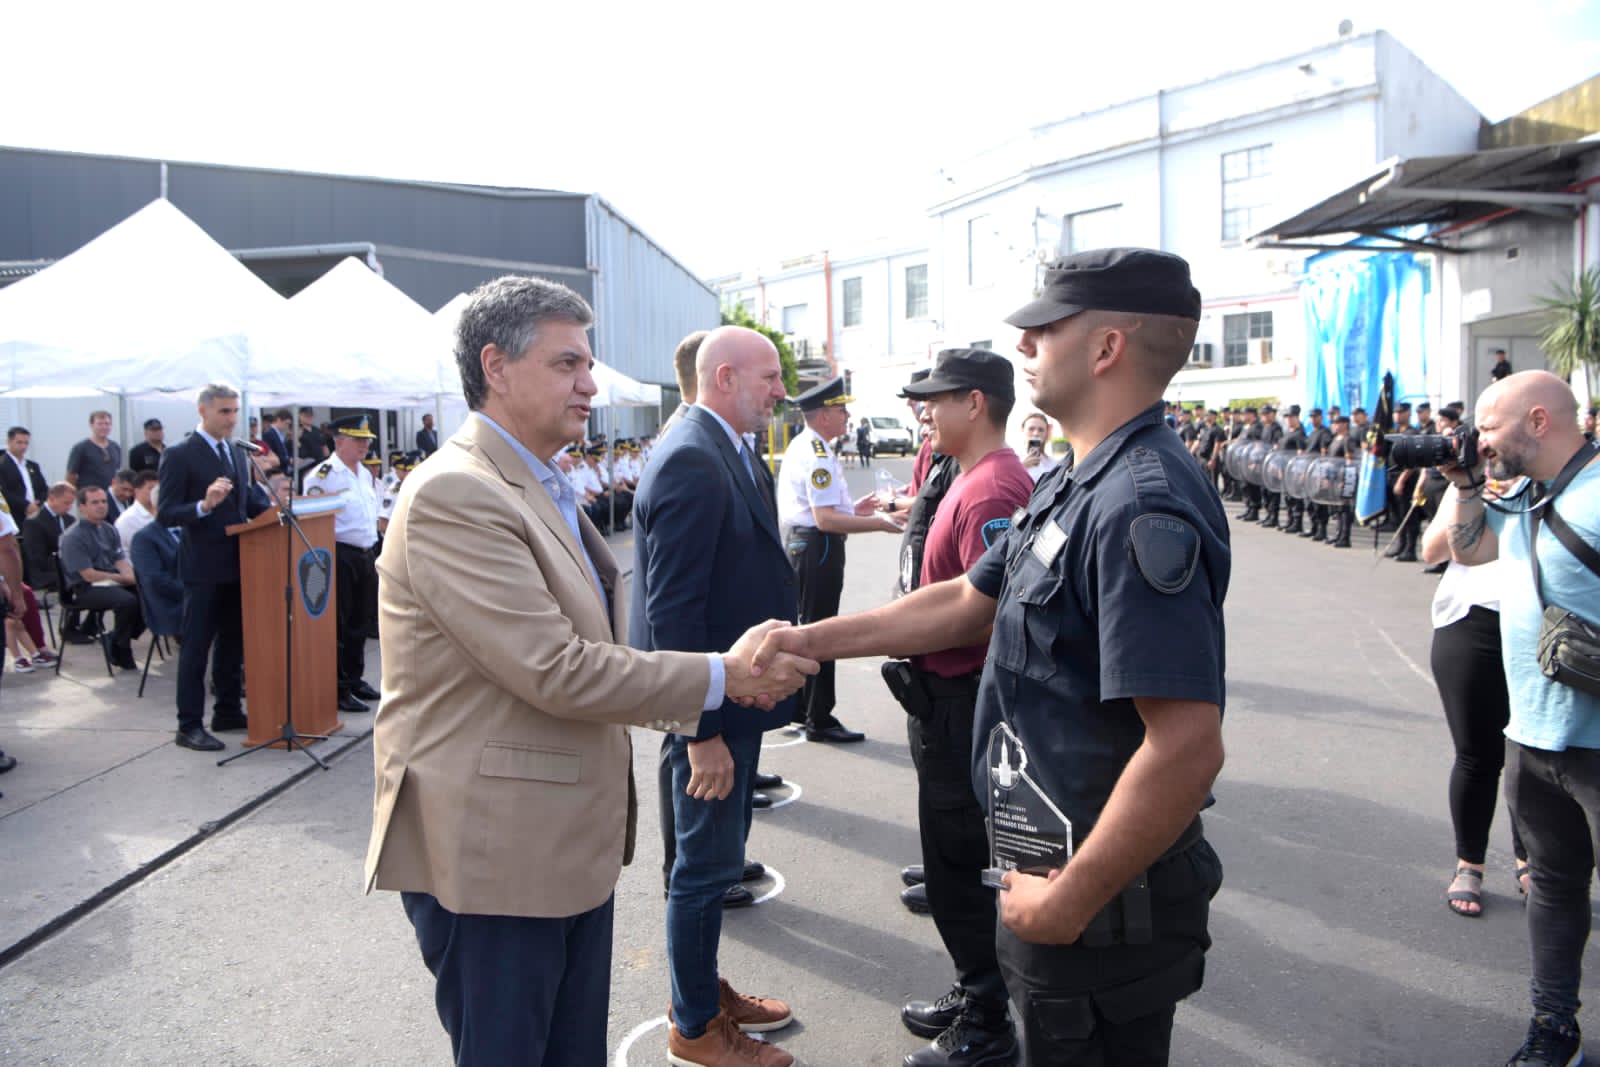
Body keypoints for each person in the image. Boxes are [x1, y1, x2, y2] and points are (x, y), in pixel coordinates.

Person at [755, 248, 1228, 1066]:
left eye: (1045, 328)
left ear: (1108, 348)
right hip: (1051, 871)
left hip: (1099, 903)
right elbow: (965, 600)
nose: (1026, 345)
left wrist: (1067, 900)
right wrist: (805, 640)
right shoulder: (1074, 479)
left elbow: (1187, 744)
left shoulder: (1138, 499)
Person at [362, 274, 816, 1067]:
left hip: (557, 842)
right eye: (568, 362)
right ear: (496, 367)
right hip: (496, 860)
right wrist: (721, 680)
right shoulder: (456, 494)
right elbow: (556, 668)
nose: (591, 383)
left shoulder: (537, 478)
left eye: (589, 361)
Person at [631, 325, 800, 1067]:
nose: (780, 390)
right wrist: (699, 732)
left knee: (713, 860)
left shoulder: (727, 446)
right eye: (769, 376)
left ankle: (698, 987)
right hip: (712, 713)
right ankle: (696, 1025)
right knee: (702, 869)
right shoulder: (693, 459)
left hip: (736, 700)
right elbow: (672, 616)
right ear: (724, 376)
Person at [1434, 370, 1600, 1067]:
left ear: (1538, 420)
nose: (1480, 438)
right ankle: (1552, 1026)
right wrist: (1468, 483)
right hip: (1532, 735)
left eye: (1489, 425)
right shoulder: (1525, 494)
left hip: (1596, 744)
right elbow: (1467, 550)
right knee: (1555, 890)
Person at [894, 347, 1033, 1067]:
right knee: (949, 864)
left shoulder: (992, 490)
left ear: (974, 402)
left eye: (936, 398)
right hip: (941, 698)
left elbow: (980, 617)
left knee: (963, 862)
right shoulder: (968, 476)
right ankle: (972, 987)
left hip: (963, 700)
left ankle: (987, 1024)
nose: (926, 409)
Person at [777, 376, 905, 743]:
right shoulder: (815, 452)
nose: (847, 415)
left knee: (808, 626)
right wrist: (880, 522)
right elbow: (825, 519)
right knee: (821, 630)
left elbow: (829, 508)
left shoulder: (811, 446)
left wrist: (857, 509)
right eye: (840, 410)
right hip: (819, 545)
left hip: (810, 544)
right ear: (823, 416)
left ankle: (803, 708)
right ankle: (819, 716)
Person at [156, 382, 274, 752]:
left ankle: (227, 709)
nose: (232, 419)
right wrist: (203, 506)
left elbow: (246, 505)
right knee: (197, 647)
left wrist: (280, 511)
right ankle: (188, 724)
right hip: (203, 567)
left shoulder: (237, 453)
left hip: (239, 562)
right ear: (203, 411)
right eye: (224, 411)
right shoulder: (180, 455)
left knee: (232, 642)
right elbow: (166, 514)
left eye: (235, 411)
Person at [1419, 509, 1525, 917]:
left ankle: (1530, 860)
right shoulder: (1474, 477)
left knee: (1534, 754)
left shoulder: (1573, 473)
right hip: (1473, 618)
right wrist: (1471, 493)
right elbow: (1432, 551)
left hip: (1545, 623)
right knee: (1478, 754)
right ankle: (1470, 864)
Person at [304, 415, 384, 714]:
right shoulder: (324, 476)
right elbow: (312, 519)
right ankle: (337, 687)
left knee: (360, 621)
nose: (365, 446)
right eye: (358, 440)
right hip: (338, 554)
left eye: (366, 440)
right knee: (340, 623)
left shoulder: (364, 474)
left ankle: (354, 678)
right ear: (339, 441)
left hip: (365, 552)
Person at [58, 485, 142, 670]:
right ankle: (122, 646)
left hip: (110, 582)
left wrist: (131, 576)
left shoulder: (109, 530)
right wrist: (122, 579)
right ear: (82, 507)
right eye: (95, 502)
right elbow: (88, 575)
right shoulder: (74, 536)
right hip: (85, 588)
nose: (101, 506)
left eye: (103, 501)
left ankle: (117, 638)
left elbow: (119, 559)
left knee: (148, 595)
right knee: (128, 601)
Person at [128, 521, 183, 646]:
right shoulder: (144, 538)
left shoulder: (189, 529)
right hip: (172, 604)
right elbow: (156, 581)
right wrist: (195, 591)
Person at [0, 427, 48, 523]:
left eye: (26, 443)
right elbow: (4, 493)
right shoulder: (2, 465)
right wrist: (26, 505)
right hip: (13, 517)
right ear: (9, 442)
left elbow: (43, 489)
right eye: (19, 442)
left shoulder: (33, 466)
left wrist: (38, 505)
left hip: (36, 515)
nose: (23, 447)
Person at [65, 410, 121, 491]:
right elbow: (71, 475)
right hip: (88, 496)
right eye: (100, 424)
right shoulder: (81, 448)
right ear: (91, 425)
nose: (104, 427)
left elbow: (117, 472)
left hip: (110, 495)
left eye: (107, 424)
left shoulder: (115, 447)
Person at [114, 470, 159, 548]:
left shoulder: (164, 514)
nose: (155, 492)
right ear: (137, 491)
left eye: (157, 489)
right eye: (151, 488)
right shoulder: (128, 519)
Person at [1017, 411, 1059, 484]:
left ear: (1046, 433)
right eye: (1031, 429)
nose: (1036, 433)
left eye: (1041, 430)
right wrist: (1021, 467)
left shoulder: (1053, 463)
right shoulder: (1013, 458)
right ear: (1022, 430)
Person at [296, 408, 327, 478]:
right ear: (300, 416)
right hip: (306, 464)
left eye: (311, 416)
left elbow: (324, 446)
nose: (309, 418)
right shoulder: (298, 430)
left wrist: (327, 459)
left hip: (320, 462)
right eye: (306, 416)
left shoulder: (317, 430)